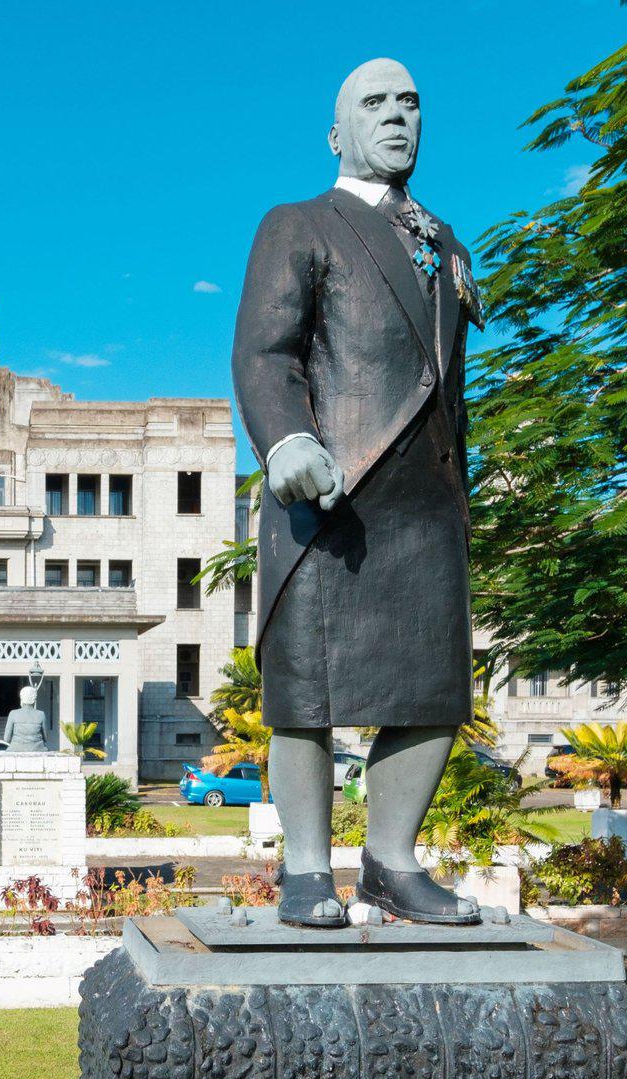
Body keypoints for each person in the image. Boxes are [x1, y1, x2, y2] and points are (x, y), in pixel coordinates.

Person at [231, 58, 483, 927]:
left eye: (411, 101)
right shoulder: (299, 223)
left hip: (426, 504)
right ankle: (306, 869)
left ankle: (390, 861)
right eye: (374, 103)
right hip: (327, 497)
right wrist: (288, 439)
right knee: (308, 693)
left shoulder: (446, 239)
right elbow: (266, 354)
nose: (397, 116)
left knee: (433, 690)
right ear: (338, 134)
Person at [1, 685, 53, 753]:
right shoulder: (41, 714)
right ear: (34, 700)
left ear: (21, 699)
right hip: (38, 749)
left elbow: (6, 739)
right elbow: (45, 738)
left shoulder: (13, 713)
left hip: (15, 749)